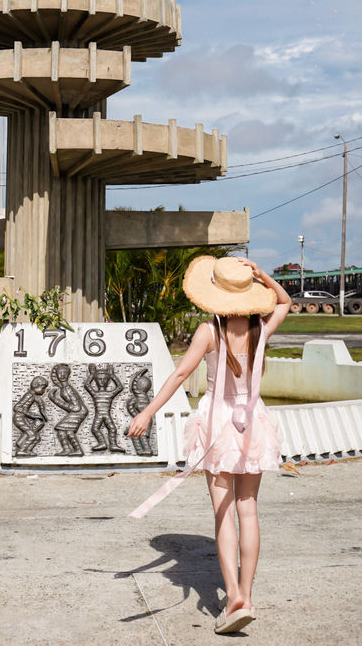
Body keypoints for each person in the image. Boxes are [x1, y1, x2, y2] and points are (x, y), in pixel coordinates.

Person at [127, 255, 291, 635]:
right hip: (252, 420)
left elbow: (180, 373)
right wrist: (263, 275)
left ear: (214, 294)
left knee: (224, 512)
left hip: (218, 423)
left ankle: (231, 595)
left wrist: (147, 412)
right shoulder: (259, 328)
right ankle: (246, 597)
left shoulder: (209, 331)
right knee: (248, 510)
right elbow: (284, 301)